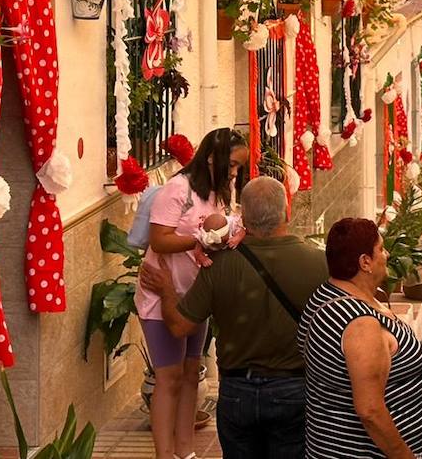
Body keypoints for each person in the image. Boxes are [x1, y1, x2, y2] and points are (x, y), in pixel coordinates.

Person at [140, 177, 326, 459]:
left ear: (244, 219)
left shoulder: (220, 265)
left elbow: (179, 327)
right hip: (293, 390)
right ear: (287, 213)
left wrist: (167, 291)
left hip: (237, 393)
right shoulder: (319, 265)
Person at [135, 127, 248, 459]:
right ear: (212, 158)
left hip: (196, 294)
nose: (235, 173)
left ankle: (186, 452)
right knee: (168, 378)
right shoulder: (178, 189)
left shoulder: (218, 191)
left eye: (239, 168)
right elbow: (160, 239)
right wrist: (201, 239)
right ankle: (164, 453)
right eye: (232, 166)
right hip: (161, 293)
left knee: (190, 375)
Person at [300, 218, 422, 458]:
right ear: (365, 262)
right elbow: (370, 410)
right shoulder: (361, 324)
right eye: (381, 249)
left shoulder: (325, 295)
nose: (386, 254)